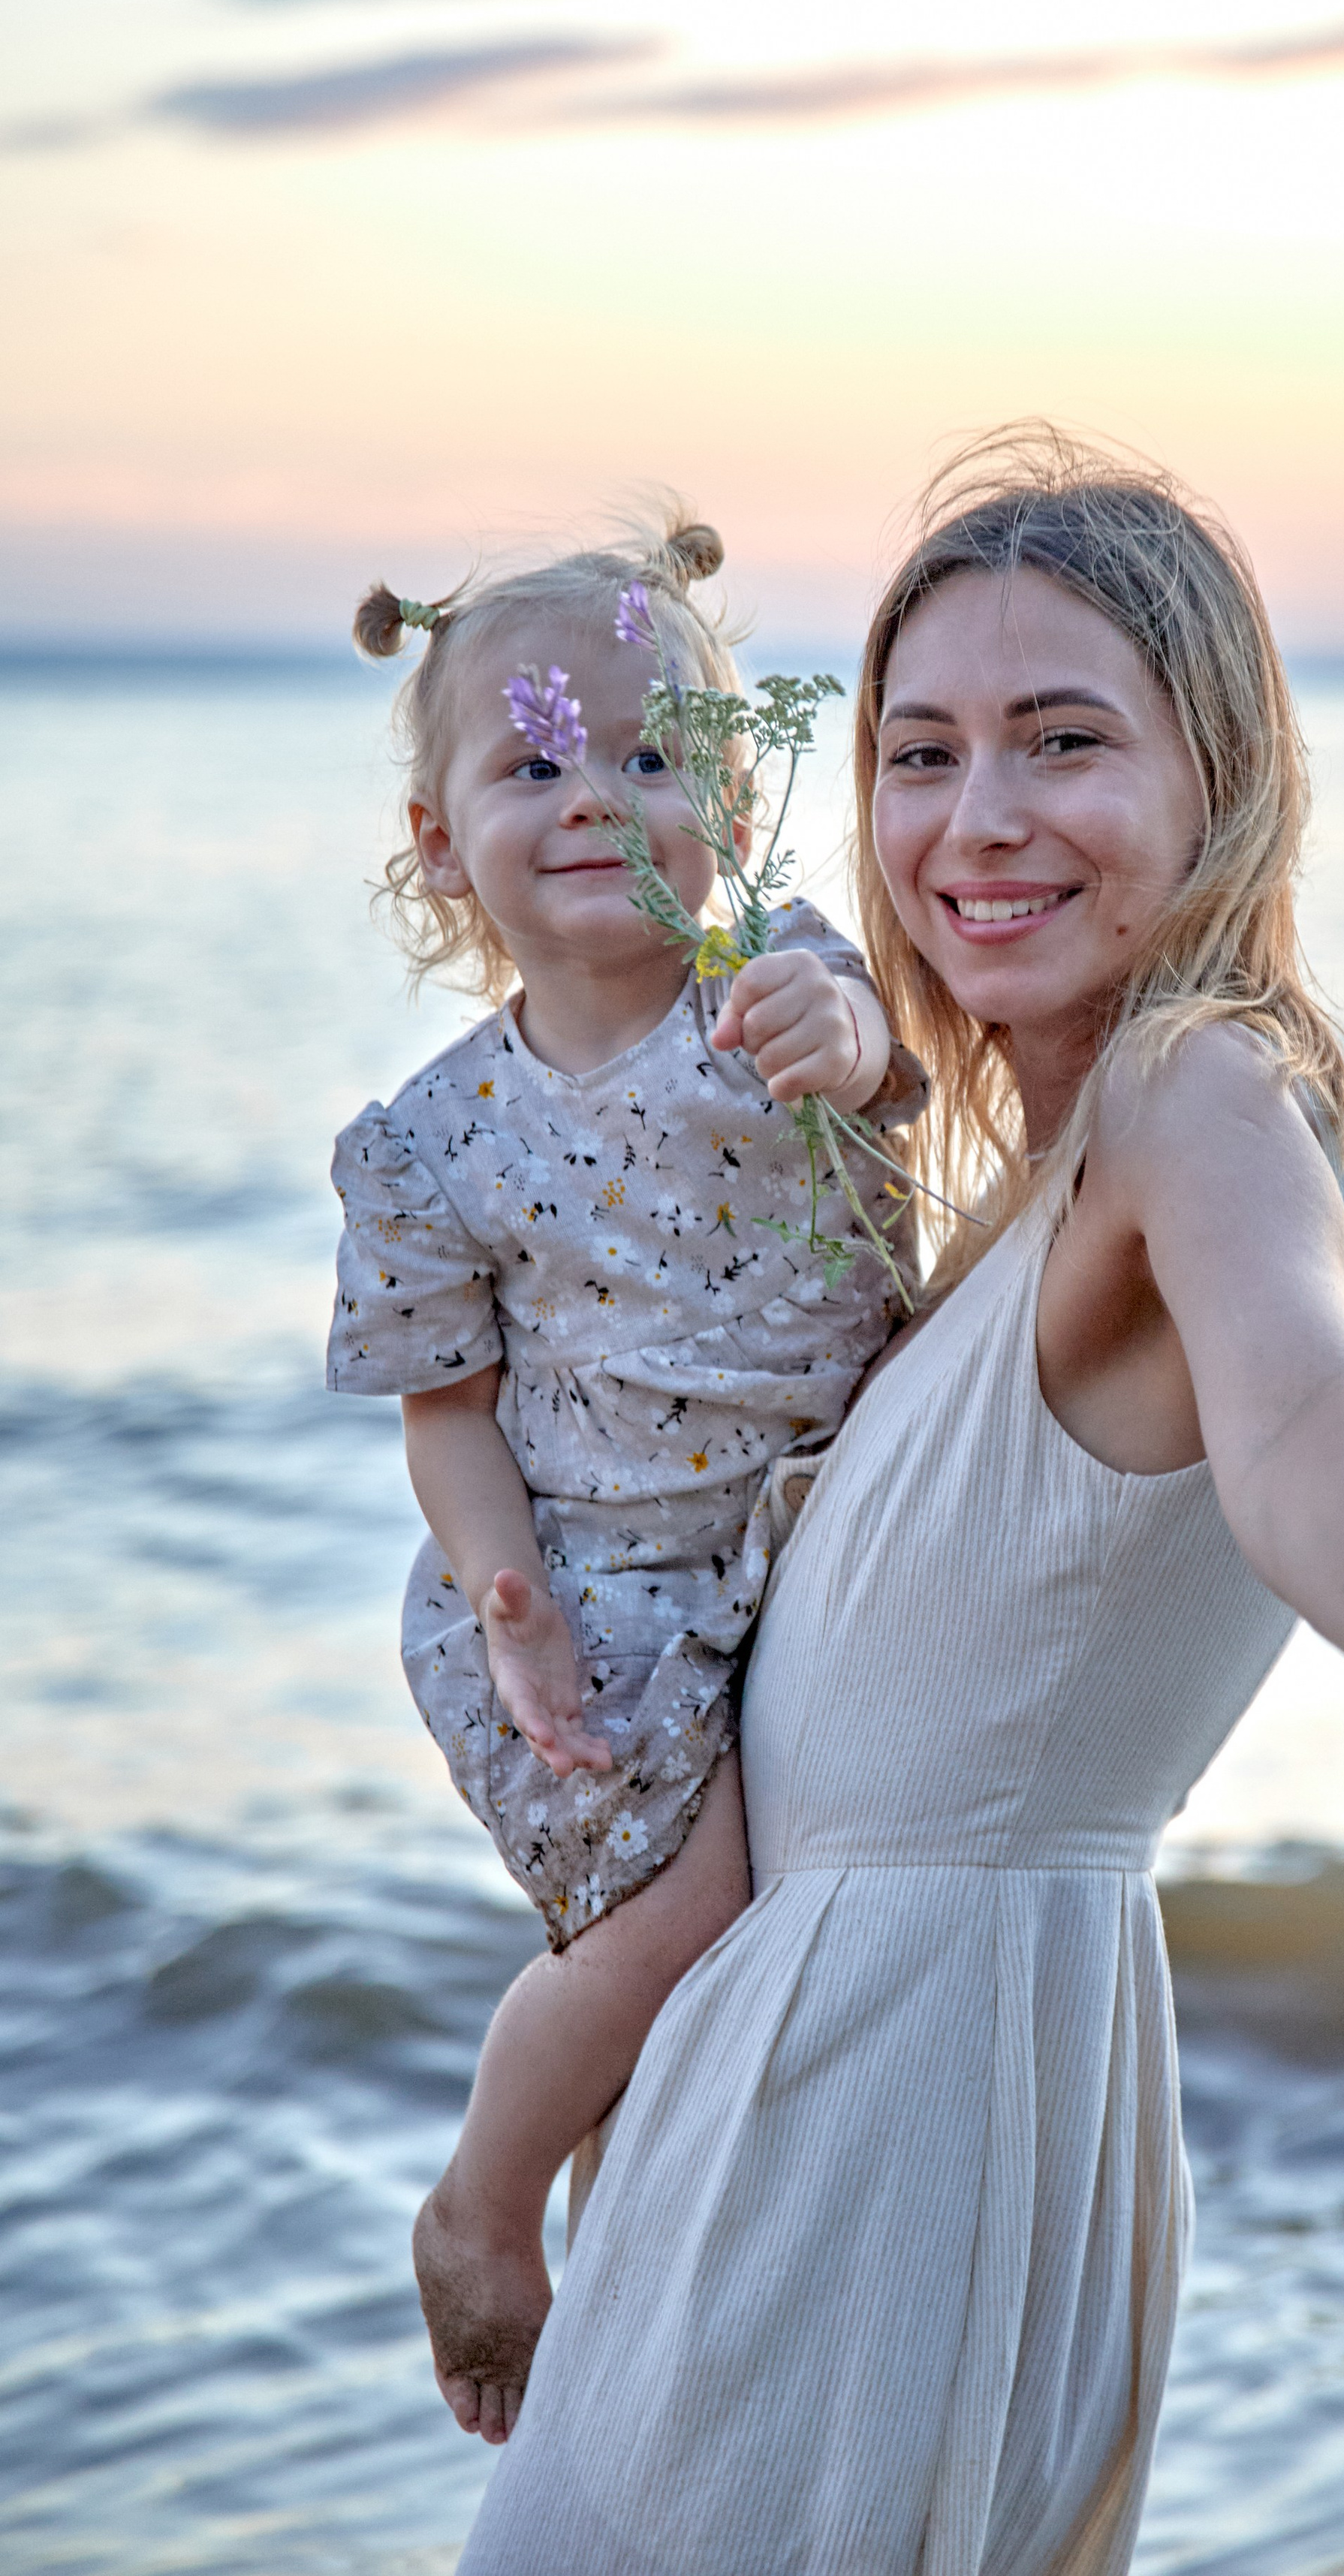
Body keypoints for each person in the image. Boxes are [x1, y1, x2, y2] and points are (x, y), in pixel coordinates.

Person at [454, 426, 1344, 2576]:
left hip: (880, 2116)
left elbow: (1309, 1393)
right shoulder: (1019, 1182)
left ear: (1217, 779)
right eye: (920, 753)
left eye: (1064, 743)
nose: (979, 821)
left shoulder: (1193, 1093)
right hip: (875, 2074)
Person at [326, 520, 925, 2444]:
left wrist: (852, 1033)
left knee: (701, 2001)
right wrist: (503, 1596)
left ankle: (650, 2328)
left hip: (814, 1540)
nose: (596, 794)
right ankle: (481, 2203)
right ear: (442, 846)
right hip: (594, 1598)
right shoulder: (431, 1146)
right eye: (533, 761)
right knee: (678, 1924)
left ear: (733, 800)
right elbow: (449, 1405)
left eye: (653, 754)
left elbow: (895, 1063)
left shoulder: (777, 997)